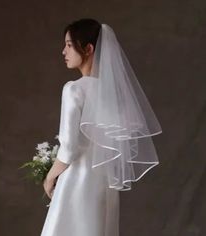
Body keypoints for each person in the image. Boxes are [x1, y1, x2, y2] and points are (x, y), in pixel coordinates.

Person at [41, 18, 162, 236]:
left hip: (78, 182)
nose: (63, 51)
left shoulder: (74, 89)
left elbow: (69, 147)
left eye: (69, 45)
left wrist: (50, 177)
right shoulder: (113, 94)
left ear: (87, 49)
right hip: (105, 184)